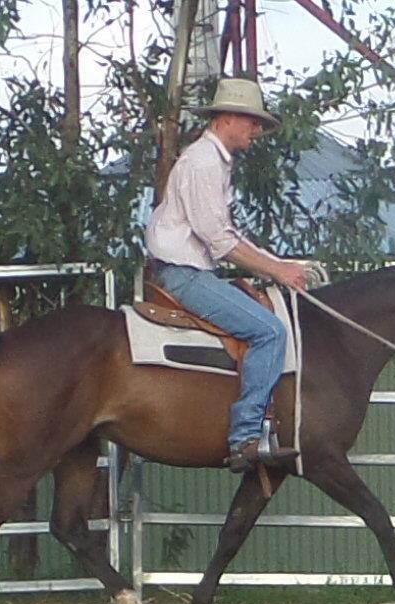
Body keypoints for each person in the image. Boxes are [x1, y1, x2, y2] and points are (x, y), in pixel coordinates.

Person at [145, 77, 310, 473]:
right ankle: (246, 437)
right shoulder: (203, 163)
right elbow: (219, 240)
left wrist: (278, 264)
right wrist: (277, 269)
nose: (256, 130)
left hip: (187, 269)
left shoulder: (210, 161)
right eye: (252, 121)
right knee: (270, 332)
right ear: (228, 119)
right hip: (184, 274)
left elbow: (226, 234)